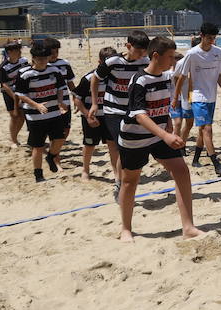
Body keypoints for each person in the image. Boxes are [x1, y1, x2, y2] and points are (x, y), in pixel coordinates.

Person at [116, 36, 200, 242]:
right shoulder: (139, 80)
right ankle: (126, 229)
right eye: (170, 57)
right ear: (156, 56)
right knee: (129, 181)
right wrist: (165, 135)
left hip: (159, 134)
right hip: (134, 137)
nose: (173, 61)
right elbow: (139, 114)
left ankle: (188, 227)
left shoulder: (165, 77)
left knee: (181, 171)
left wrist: (169, 127)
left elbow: (165, 105)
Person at [89, 30, 151, 196]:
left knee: (133, 148)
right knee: (120, 146)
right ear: (128, 46)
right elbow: (94, 79)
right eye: (138, 51)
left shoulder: (146, 61)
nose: (142, 54)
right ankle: (119, 181)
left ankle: (123, 178)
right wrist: (95, 103)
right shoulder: (112, 61)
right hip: (113, 110)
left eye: (144, 51)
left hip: (135, 110)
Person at [12, 42, 70, 182]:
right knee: (37, 146)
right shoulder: (25, 74)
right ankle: (38, 174)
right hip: (35, 116)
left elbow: (61, 87)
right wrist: (36, 105)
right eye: (39, 58)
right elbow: (20, 94)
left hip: (54, 112)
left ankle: (51, 156)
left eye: (45, 58)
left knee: (60, 138)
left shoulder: (54, 70)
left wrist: (60, 101)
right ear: (33, 58)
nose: (43, 61)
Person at [174, 23, 221, 175]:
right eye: (209, 38)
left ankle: (196, 159)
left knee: (202, 131)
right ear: (201, 36)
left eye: (214, 38)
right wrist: (175, 97)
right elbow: (181, 77)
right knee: (207, 129)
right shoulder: (191, 54)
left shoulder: (219, 52)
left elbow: (218, 74)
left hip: (211, 96)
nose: (212, 41)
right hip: (197, 96)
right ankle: (217, 164)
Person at [72, 47, 115, 182]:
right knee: (89, 145)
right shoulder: (89, 78)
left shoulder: (116, 77)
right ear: (99, 62)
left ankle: (116, 172)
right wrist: (87, 115)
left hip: (110, 116)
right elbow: (77, 99)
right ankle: (85, 170)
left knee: (113, 145)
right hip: (92, 116)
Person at [0, 42, 27, 145]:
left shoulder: (24, 61)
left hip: (21, 92)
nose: (19, 52)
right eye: (17, 51)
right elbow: (4, 84)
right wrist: (14, 97)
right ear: (9, 52)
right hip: (8, 93)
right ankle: (14, 140)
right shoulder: (3, 67)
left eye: (20, 50)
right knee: (14, 117)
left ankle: (14, 137)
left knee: (22, 117)